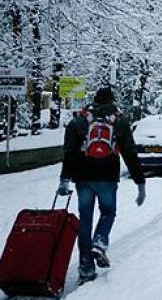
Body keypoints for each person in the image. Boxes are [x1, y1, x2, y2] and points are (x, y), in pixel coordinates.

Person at [58, 87, 146, 282]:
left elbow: (70, 152)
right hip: (107, 177)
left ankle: (86, 267)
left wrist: (65, 179)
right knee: (108, 212)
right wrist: (140, 182)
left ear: (94, 100)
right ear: (112, 101)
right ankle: (99, 242)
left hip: (83, 178)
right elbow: (130, 153)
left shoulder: (79, 121)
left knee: (85, 220)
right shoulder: (119, 121)